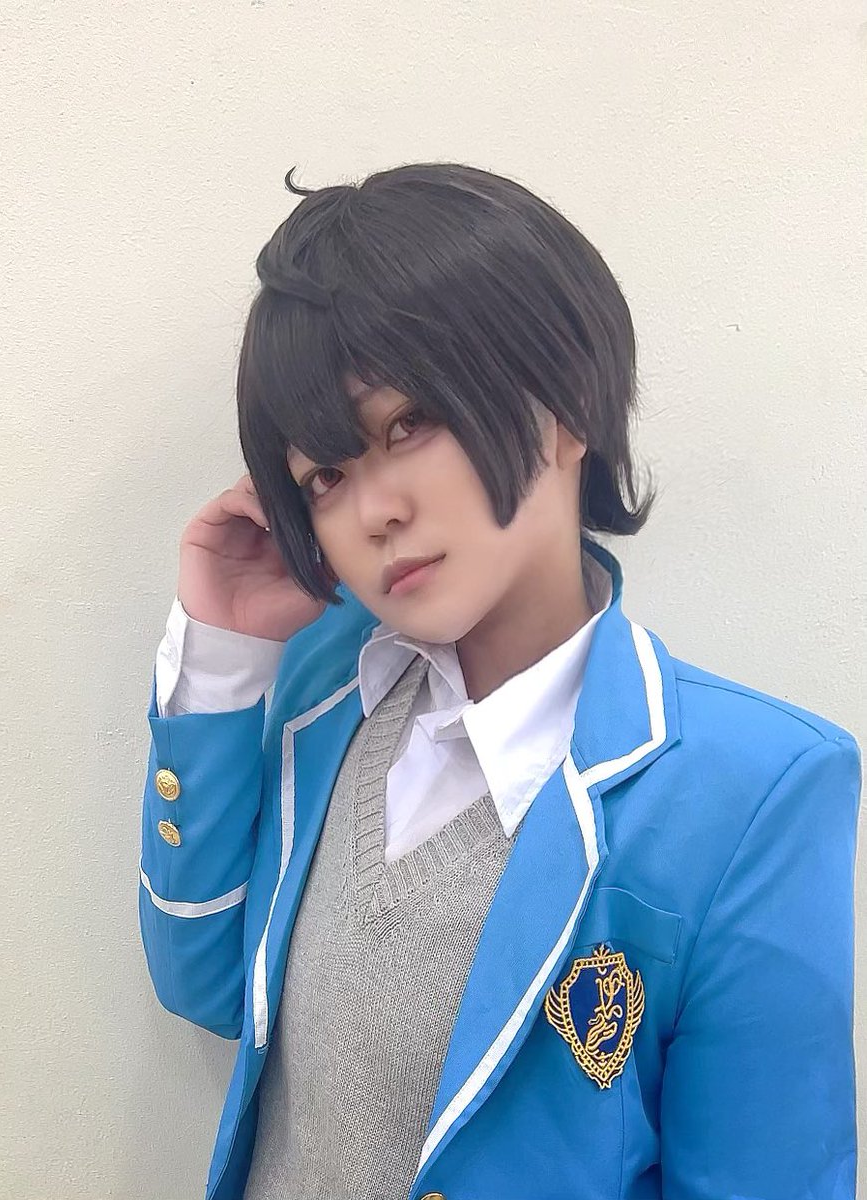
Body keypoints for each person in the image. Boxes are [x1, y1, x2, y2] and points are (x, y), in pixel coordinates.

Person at [138, 162, 862, 1200]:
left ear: (564, 404)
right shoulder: (329, 698)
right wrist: (224, 656)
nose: (373, 511)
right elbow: (209, 982)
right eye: (325, 476)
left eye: (408, 425)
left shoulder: (753, 789)